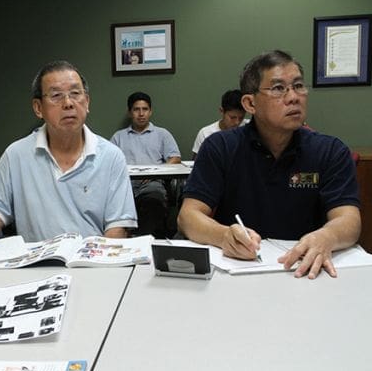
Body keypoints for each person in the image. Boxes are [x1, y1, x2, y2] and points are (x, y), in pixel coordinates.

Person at [177, 50, 361, 279]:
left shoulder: (330, 151)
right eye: (278, 88)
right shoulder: (220, 146)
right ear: (250, 103)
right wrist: (223, 235)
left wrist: (327, 237)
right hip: (237, 271)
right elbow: (188, 216)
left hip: (304, 270)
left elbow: (349, 219)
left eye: (298, 86)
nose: (293, 97)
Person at [0, 60, 137, 245]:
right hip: (37, 266)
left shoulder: (111, 156)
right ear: (38, 108)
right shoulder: (16, 155)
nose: (68, 103)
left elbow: (117, 228)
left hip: (91, 262)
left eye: (76, 94)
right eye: (56, 95)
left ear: (87, 102)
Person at [110, 91, 181, 238]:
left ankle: (139, 237)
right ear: (130, 112)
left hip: (152, 182)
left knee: (153, 200)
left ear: (150, 111)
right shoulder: (119, 137)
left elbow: (175, 158)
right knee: (113, 202)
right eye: (136, 109)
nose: (141, 114)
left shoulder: (162, 134)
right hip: (126, 184)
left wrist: (155, 172)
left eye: (145, 109)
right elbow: (109, 162)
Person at [191, 89, 246, 159]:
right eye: (232, 117)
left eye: (241, 118)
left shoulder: (250, 129)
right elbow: (196, 163)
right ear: (222, 111)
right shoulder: (205, 133)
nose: (237, 122)